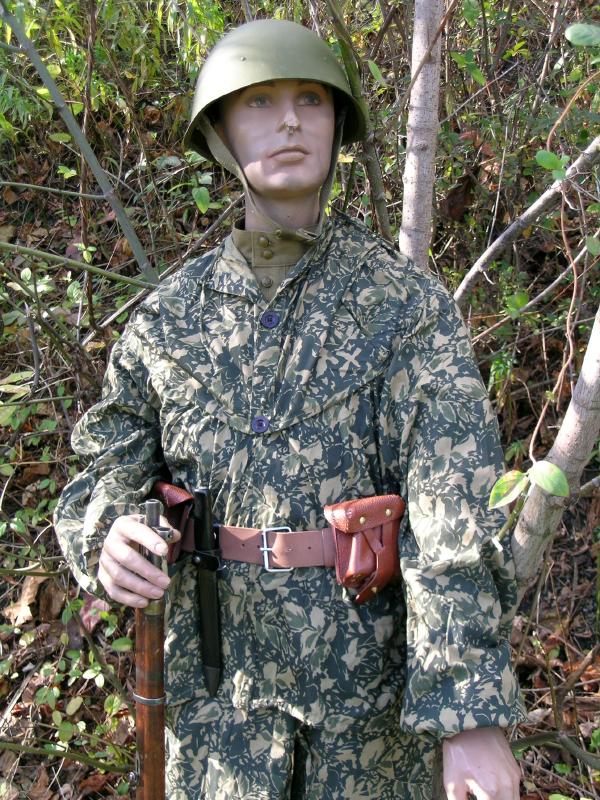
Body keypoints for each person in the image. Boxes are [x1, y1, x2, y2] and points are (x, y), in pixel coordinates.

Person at [54, 18, 525, 800]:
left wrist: (468, 713)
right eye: (259, 101)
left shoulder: (402, 309)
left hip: (369, 719)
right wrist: (109, 533)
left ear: (338, 123)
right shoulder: (168, 321)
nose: (290, 122)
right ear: (220, 131)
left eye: (311, 99)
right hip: (218, 712)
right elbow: (108, 462)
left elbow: (454, 508)